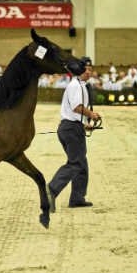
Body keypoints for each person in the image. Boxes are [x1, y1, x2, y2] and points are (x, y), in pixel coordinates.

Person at [46, 57, 102, 211]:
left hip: (72, 127)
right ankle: (51, 190)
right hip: (71, 129)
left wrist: (84, 124)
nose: (89, 72)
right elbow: (77, 107)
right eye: (87, 69)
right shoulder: (76, 86)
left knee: (81, 163)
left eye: (91, 69)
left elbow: (74, 111)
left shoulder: (79, 85)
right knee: (76, 163)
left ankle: (77, 198)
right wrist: (91, 114)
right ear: (80, 69)